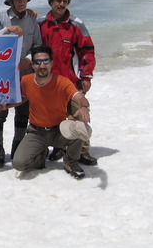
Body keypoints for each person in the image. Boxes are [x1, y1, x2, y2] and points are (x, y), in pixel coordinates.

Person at [8, 45, 92, 179]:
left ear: (51, 63)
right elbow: (23, 98)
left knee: (80, 128)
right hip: (36, 132)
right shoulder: (26, 80)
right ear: (33, 65)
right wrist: (6, 106)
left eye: (46, 61)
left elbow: (80, 97)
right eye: (37, 62)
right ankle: (41, 154)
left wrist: (83, 107)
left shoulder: (62, 82)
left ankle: (70, 160)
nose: (42, 65)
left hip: (59, 130)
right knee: (19, 164)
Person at [38, 0, 97, 165]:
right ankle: (59, 147)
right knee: (56, 116)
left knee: (78, 115)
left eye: (65, 1)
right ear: (51, 2)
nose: (61, 4)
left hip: (71, 81)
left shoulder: (76, 24)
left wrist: (86, 76)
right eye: (58, 0)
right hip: (49, 81)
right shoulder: (41, 24)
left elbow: (87, 51)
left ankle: (83, 150)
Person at [0, 0, 42, 167]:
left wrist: (28, 58)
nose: (21, 1)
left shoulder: (33, 20)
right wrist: (7, 30)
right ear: (10, 1)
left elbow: (37, 45)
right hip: (3, 74)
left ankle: (18, 144)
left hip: (25, 73)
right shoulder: (0, 17)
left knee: (22, 112)